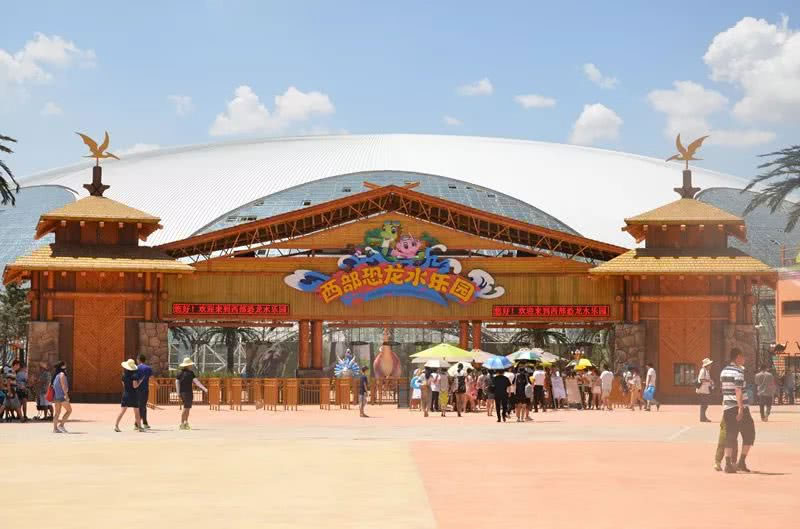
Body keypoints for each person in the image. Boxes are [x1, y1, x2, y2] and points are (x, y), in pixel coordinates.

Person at [720, 348, 755, 473]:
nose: (744, 359)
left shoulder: (723, 371)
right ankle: (741, 461)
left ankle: (728, 464)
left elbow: (724, 390)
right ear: (738, 357)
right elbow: (738, 390)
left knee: (730, 434)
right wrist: (740, 408)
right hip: (740, 407)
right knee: (749, 434)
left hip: (727, 407)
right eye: (743, 356)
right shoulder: (739, 371)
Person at [175, 357, 208, 429]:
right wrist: (204, 389)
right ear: (188, 365)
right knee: (186, 408)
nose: (191, 366)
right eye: (190, 364)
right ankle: (182, 423)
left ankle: (185, 422)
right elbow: (197, 382)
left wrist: (178, 392)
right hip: (188, 393)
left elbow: (177, 383)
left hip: (184, 392)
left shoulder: (180, 373)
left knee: (187, 408)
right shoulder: (190, 373)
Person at [115, 359, 144, 432]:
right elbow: (135, 386)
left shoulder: (124, 375)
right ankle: (139, 427)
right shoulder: (135, 375)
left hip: (126, 394)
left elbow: (124, 385)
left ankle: (116, 425)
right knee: (136, 411)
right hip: (134, 395)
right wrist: (140, 382)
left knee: (122, 411)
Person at [51, 361, 71, 433]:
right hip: (62, 396)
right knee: (69, 410)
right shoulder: (62, 374)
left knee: (57, 413)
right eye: (64, 365)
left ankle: (55, 429)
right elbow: (63, 386)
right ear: (62, 366)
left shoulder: (56, 375)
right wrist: (66, 395)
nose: (65, 366)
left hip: (56, 396)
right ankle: (61, 425)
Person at [136, 354, 153, 429]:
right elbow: (152, 377)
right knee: (143, 406)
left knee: (140, 406)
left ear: (138, 360)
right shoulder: (148, 368)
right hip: (145, 389)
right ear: (145, 360)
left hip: (137, 389)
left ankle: (143, 423)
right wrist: (157, 384)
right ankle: (138, 423)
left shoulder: (136, 368)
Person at [696, 358, 714, 422]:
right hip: (702, 390)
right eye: (709, 364)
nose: (710, 366)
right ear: (707, 365)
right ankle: (703, 418)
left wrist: (710, 382)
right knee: (704, 405)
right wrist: (709, 380)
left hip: (705, 390)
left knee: (705, 405)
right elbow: (701, 379)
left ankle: (703, 417)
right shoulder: (703, 370)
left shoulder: (706, 371)